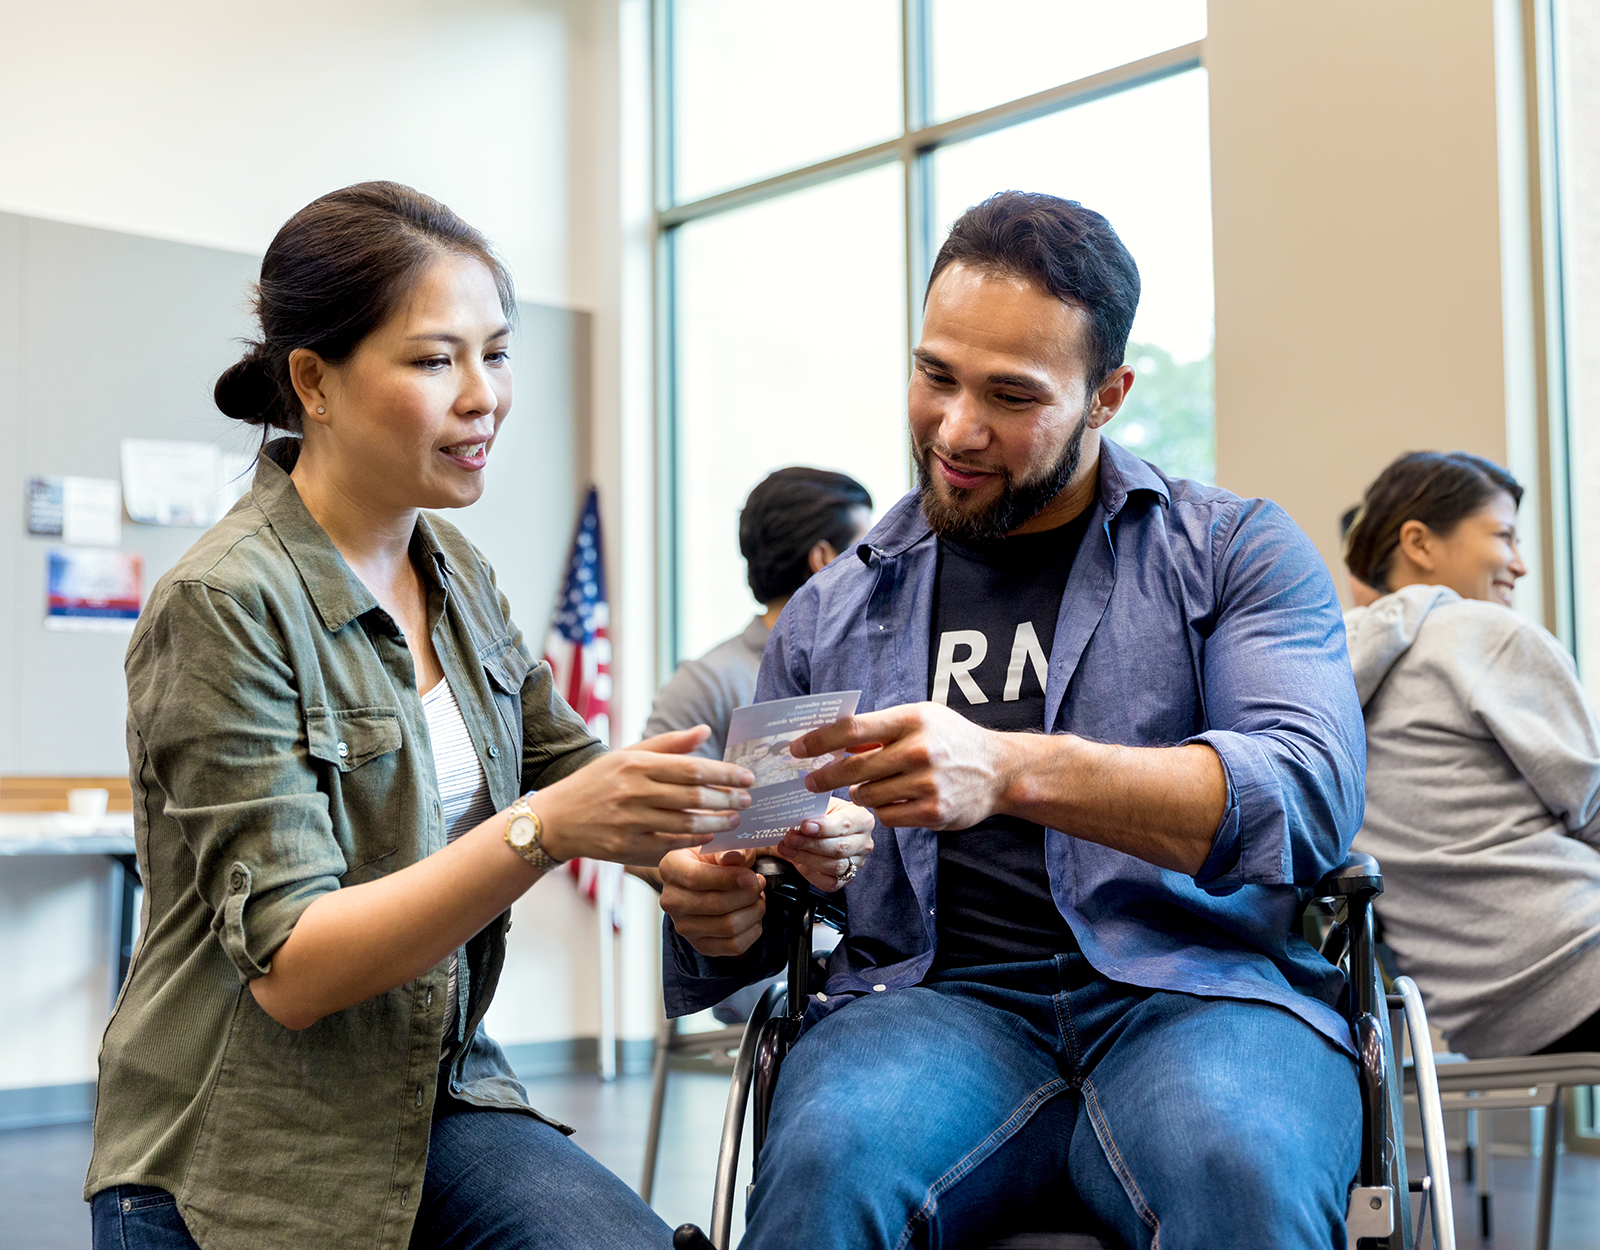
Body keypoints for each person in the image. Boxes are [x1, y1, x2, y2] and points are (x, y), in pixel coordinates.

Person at [83, 182, 871, 1250]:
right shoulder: (223, 603)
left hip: (434, 1093)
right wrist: (543, 829)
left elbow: (579, 769)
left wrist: (715, 847)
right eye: (432, 359)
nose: (483, 396)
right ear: (312, 380)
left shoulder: (455, 569)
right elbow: (296, 967)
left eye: (495, 354)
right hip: (241, 1148)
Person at [657, 191, 1368, 1250]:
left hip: (1202, 990)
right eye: (934, 374)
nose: (955, 428)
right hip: (925, 1006)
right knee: (823, 1170)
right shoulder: (831, 608)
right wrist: (720, 903)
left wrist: (1010, 768)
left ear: (1108, 395)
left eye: (1011, 394)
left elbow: (1301, 793)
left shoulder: (1233, 553)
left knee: (1240, 1171)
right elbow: (758, 890)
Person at [1343, 451, 1600, 1058]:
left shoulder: (1321, 678)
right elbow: (1592, 807)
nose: (1520, 563)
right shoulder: (1485, 635)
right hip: (1580, 958)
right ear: (1420, 543)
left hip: (1482, 1019)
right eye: (1504, 535)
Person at [643, 466, 873, 759]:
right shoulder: (707, 683)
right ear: (822, 558)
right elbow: (651, 794)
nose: (872, 564)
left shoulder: (868, 665)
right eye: (861, 549)